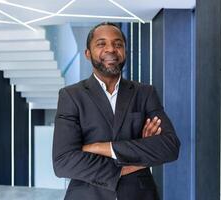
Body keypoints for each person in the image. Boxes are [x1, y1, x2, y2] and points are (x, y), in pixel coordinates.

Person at [52, 22, 180, 200]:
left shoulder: (144, 93)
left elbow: (170, 147)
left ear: (125, 52)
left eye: (118, 44)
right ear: (88, 54)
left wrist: (102, 148)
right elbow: (63, 162)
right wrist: (134, 161)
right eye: (101, 44)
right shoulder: (71, 96)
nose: (111, 49)